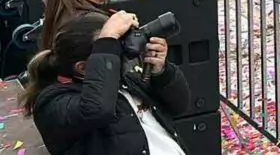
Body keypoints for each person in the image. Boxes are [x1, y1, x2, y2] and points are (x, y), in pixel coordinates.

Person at [23, 11, 193, 155]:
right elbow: (97, 109)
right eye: (110, 47)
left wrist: (161, 73)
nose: (119, 51)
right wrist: (107, 39)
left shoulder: (127, 81)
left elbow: (179, 106)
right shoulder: (52, 102)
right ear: (83, 68)